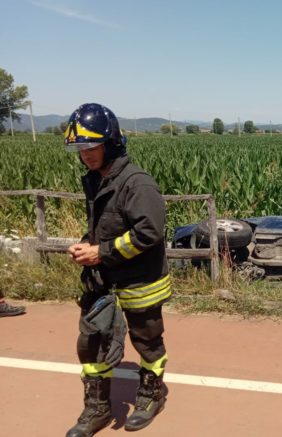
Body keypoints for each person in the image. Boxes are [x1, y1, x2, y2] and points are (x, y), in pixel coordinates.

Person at [64, 103, 171, 436]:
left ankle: (151, 394)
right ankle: (97, 408)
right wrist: (87, 244)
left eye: (92, 146)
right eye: (81, 149)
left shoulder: (137, 183)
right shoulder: (96, 180)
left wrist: (101, 252)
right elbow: (104, 227)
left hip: (140, 281)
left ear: (111, 143)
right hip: (103, 280)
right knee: (92, 341)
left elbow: (149, 232)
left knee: (147, 342)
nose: (86, 155)